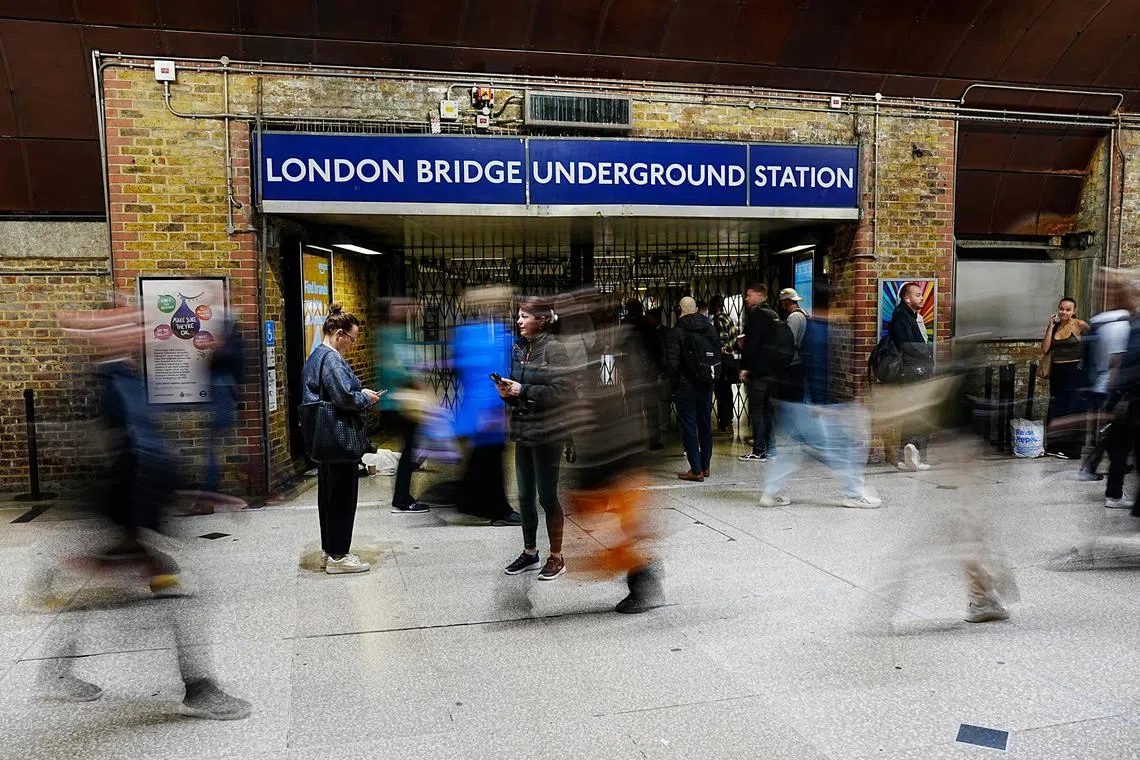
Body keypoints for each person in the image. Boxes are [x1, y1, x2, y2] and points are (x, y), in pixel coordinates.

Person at [757, 284, 882, 509]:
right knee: (843, 447)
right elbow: (817, 367)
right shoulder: (819, 329)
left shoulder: (807, 324)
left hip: (789, 397)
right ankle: (854, 495)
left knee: (793, 450)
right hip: (811, 404)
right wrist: (821, 403)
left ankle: (769, 493)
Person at [303, 304, 383, 574]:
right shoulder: (332, 359)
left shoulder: (316, 355)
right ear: (339, 333)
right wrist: (366, 397)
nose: (352, 344)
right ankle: (339, 555)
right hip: (339, 438)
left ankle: (330, 550)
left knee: (328, 495)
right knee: (342, 497)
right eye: (352, 338)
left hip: (325, 440)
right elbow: (345, 398)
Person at [498, 298, 572, 580]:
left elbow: (563, 391)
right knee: (525, 496)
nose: (518, 321)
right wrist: (508, 394)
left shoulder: (555, 349)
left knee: (547, 496)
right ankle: (530, 552)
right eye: (518, 316)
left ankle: (557, 557)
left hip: (548, 432)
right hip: (523, 430)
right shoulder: (520, 349)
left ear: (541, 320)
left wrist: (523, 389)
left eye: (524, 316)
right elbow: (520, 391)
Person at [452, 286, 521, 525]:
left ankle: (469, 501)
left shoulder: (490, 332)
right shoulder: (480, 335)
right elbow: (475, 372)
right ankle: (498, 509)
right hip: (485, 408)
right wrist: (489, 409)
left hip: (487, 406)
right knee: (490, 459)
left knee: (484, 457)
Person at [376, 299, 430, 514]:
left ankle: (403, 496)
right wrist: (417, 381)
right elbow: (397, 370)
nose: (407, 309)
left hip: (400, 400)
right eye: (400, 306)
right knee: (409, 449)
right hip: (401, 402)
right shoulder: (391, 336)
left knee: (410, 448)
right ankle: (402, 499)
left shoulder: (396, 333)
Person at [1080, 275, 1133, 484]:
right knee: (1113, 431)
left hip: (1097, 383)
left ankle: (1102, 465)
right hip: (1112, 385)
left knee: (1111, 431)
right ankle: (1092, 466)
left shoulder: (1099, 320)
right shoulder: (1121, 322)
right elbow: (1116, 360)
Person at [666, 296, 720, 481]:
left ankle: (695, 469)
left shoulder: (677, 331)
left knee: (689, 426)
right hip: (706, 382)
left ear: (680, 309)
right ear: (696, 308)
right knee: (705, 423)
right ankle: (706, 467)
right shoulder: (710, 327)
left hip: (685, 385)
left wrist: (673, 385)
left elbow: (672, 363)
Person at [888, 282, 935, 471]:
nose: (921, 298)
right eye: (917, 295)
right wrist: (927, 352)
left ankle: (909, 455)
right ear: (907, 298)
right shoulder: (902, 317)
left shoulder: (913, 317)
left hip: (914, 372)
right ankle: (913, 455)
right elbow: (909, 345)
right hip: (913, 373)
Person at [1041, 297, 1089, 460]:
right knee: (1056, 408)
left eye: (1068, 309)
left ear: (1074, 311)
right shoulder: (1055, 327)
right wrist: (1050, 326)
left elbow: (1095, 341)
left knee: (1073, 409)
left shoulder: (1079, 325)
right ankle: (1055, 447)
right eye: (1061, 308)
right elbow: (1045, 348)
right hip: (1057, 372)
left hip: (1074, 372)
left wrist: (1086, 361)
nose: (1064, 312)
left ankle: (1073, 450)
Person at [739, 283, 780, 462]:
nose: (747, 298)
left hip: (759, 371)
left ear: (758, 295)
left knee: (757, 411)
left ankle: (758, 450)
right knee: (768, 411)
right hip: (773, 371)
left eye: (749, 295)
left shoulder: (758, 315)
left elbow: (752, 344)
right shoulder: (773, 314)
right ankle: (771, 449)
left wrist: (744, 366)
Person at [622, 300, 666, 450]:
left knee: (634, 409)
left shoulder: (624, 326)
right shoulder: (648, 326)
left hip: (631, 374)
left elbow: (618, 348)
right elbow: (658, 349)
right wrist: (659, 369)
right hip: (648, 373)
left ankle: (635, 440)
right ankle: (653, 440)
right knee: (651, 408)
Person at [710, 294, 739, 433]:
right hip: (730, 359)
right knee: (727, 390)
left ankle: (724, 419)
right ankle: (728, 418)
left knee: (721, 391)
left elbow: (723, 338)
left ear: (715, 306)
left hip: (723, 360)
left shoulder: (718, 319)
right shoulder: (728, 318)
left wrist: (721, 348)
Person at [777, 288, 808, 404]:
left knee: (790, 399)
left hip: (793, 365)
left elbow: (790, 341)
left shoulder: (794, 317)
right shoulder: (803, 313)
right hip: (799, 363)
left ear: (786, 301)